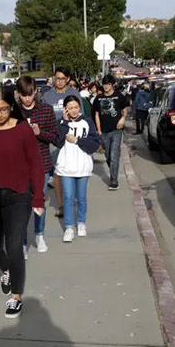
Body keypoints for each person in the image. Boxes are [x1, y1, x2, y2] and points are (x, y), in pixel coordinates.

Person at [0, 86, 44, 319]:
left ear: (12, 107)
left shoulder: (22, 129)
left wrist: (38, 198)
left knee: (14, 245)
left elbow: (36, 164)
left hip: (18, 195)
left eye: (4, 109)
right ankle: (6, 268)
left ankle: (16, 296)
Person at [16, 75, 59, 255]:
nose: (27, 98)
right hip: (19, 165)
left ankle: (39, 235)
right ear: (18, 94)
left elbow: (56, 137)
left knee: (38, 201)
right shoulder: (13, 113)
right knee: (22, 205)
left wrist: (39, 132)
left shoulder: (46, 110)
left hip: (41, 163)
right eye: (24, 95)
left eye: (30, 94)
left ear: (35, 92)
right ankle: (23, 242)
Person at [54, 96, 101, 242]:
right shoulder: (61, 123)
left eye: (76, 107)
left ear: (79, 107)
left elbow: (94, 144)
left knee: (81, 197)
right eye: (70, 108)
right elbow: (58, 141)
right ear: (65, 109)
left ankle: (81, 223)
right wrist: (65, 122)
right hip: (66, 167)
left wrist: (77, 140)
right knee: (68, 197)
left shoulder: (87, 122)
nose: (74, 110)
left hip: (82, 166)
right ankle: (69, 227)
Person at [42, 67, 81, 218]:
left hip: (71, 137)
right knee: (58, 173)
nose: (59, 81)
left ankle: (72, 199)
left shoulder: (73, 94)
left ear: (67, 79)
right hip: (55, 138)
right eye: (57, 78)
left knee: (72, 171)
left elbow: (80, 117)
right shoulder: (47, 96)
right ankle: (61, 204)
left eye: (62, 79)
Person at [92, 74, 129, 190]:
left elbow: (125, 111)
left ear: (112, 85)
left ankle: (114, 181)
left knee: (114, 155)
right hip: (103, 131)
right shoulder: (99, 98)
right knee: (108, 155)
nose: (106, 86)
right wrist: (98, 130)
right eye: (104, 84)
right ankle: (113, 171)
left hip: (116, 130)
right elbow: (97, 115)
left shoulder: (119, 96)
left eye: (108, 84)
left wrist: (123, 119)